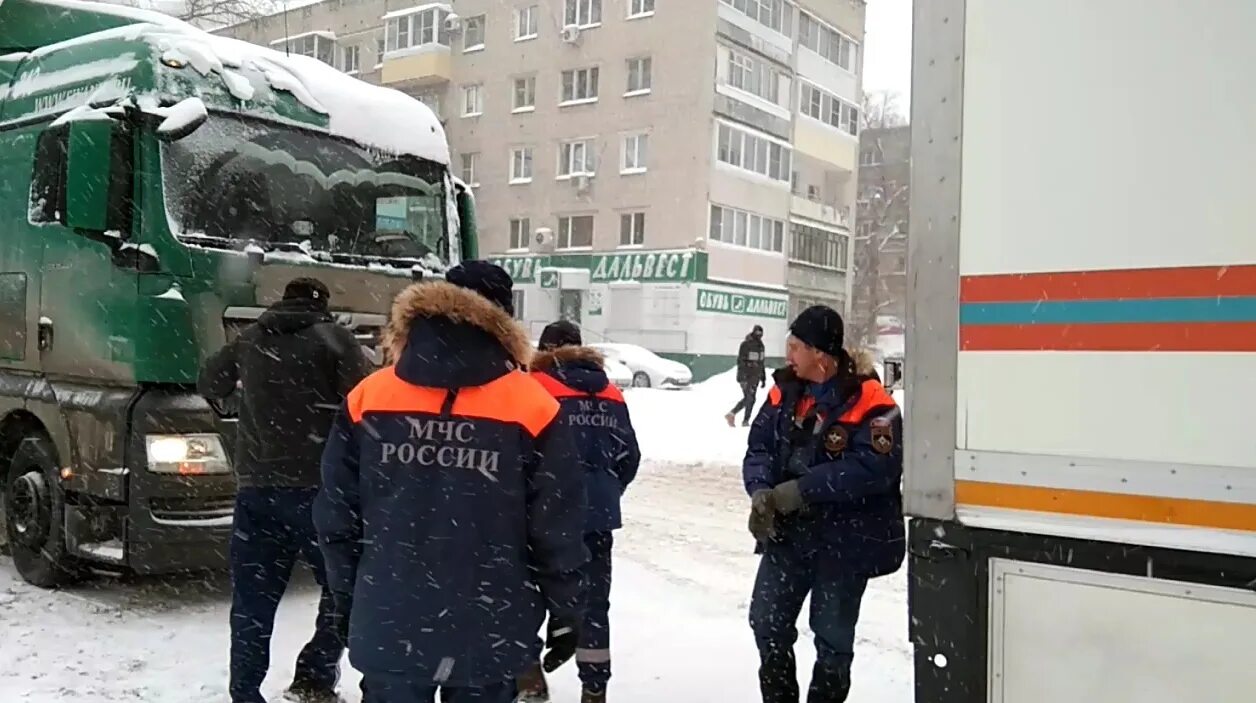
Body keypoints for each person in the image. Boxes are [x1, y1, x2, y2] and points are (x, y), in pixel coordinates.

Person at [313, 261, 589, 703]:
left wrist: (348, 597)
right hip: (489, 626)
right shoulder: (532, 405)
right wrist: (566, 607)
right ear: (503, 318)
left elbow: (336, 518)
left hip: (390, 619)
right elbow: (556, 526)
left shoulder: (370, 396)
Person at [198, 277, 370, 703]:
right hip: (319, 494)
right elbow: (366, 400)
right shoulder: (335, 339)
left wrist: (237, 407)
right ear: (322, 303)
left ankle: (245, 691)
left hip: (256, 492)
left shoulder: (251, 338)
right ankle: (314, 674)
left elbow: (209, 382)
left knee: (253, 602)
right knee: (341, 591)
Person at [741, 305, 905, 703]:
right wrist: (761, 490)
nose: (788, 355)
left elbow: (874, 469)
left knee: (832, 640)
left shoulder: (872, 401)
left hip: (844, 542)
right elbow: (759, 446)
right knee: (767, 623)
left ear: (820, 353)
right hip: (789, 536)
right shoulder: (784, 391)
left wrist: (803, 489)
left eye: (795, 346)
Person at [517, 320, 642, 703]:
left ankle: (529, 676)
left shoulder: (534, 387)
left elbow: (522, 453)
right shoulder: (610, 392)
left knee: (527, 595)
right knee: (594, 603)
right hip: (597, 517)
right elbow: (629, 456)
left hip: (543, 514)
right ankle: (594, 686)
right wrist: (604, 489)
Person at [726, 324, 767, 427]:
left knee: (751, 398)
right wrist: (743, 376)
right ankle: (738, 417)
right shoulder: (746, 345)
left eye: (760, 333)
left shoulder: (761, 346)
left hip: (755, 376)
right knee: (749, 397)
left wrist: (763, 377)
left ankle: (741, 418)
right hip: (746, 376)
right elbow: (740, 361)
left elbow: (761, 362)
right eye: (757, 333)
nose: (759, 335)